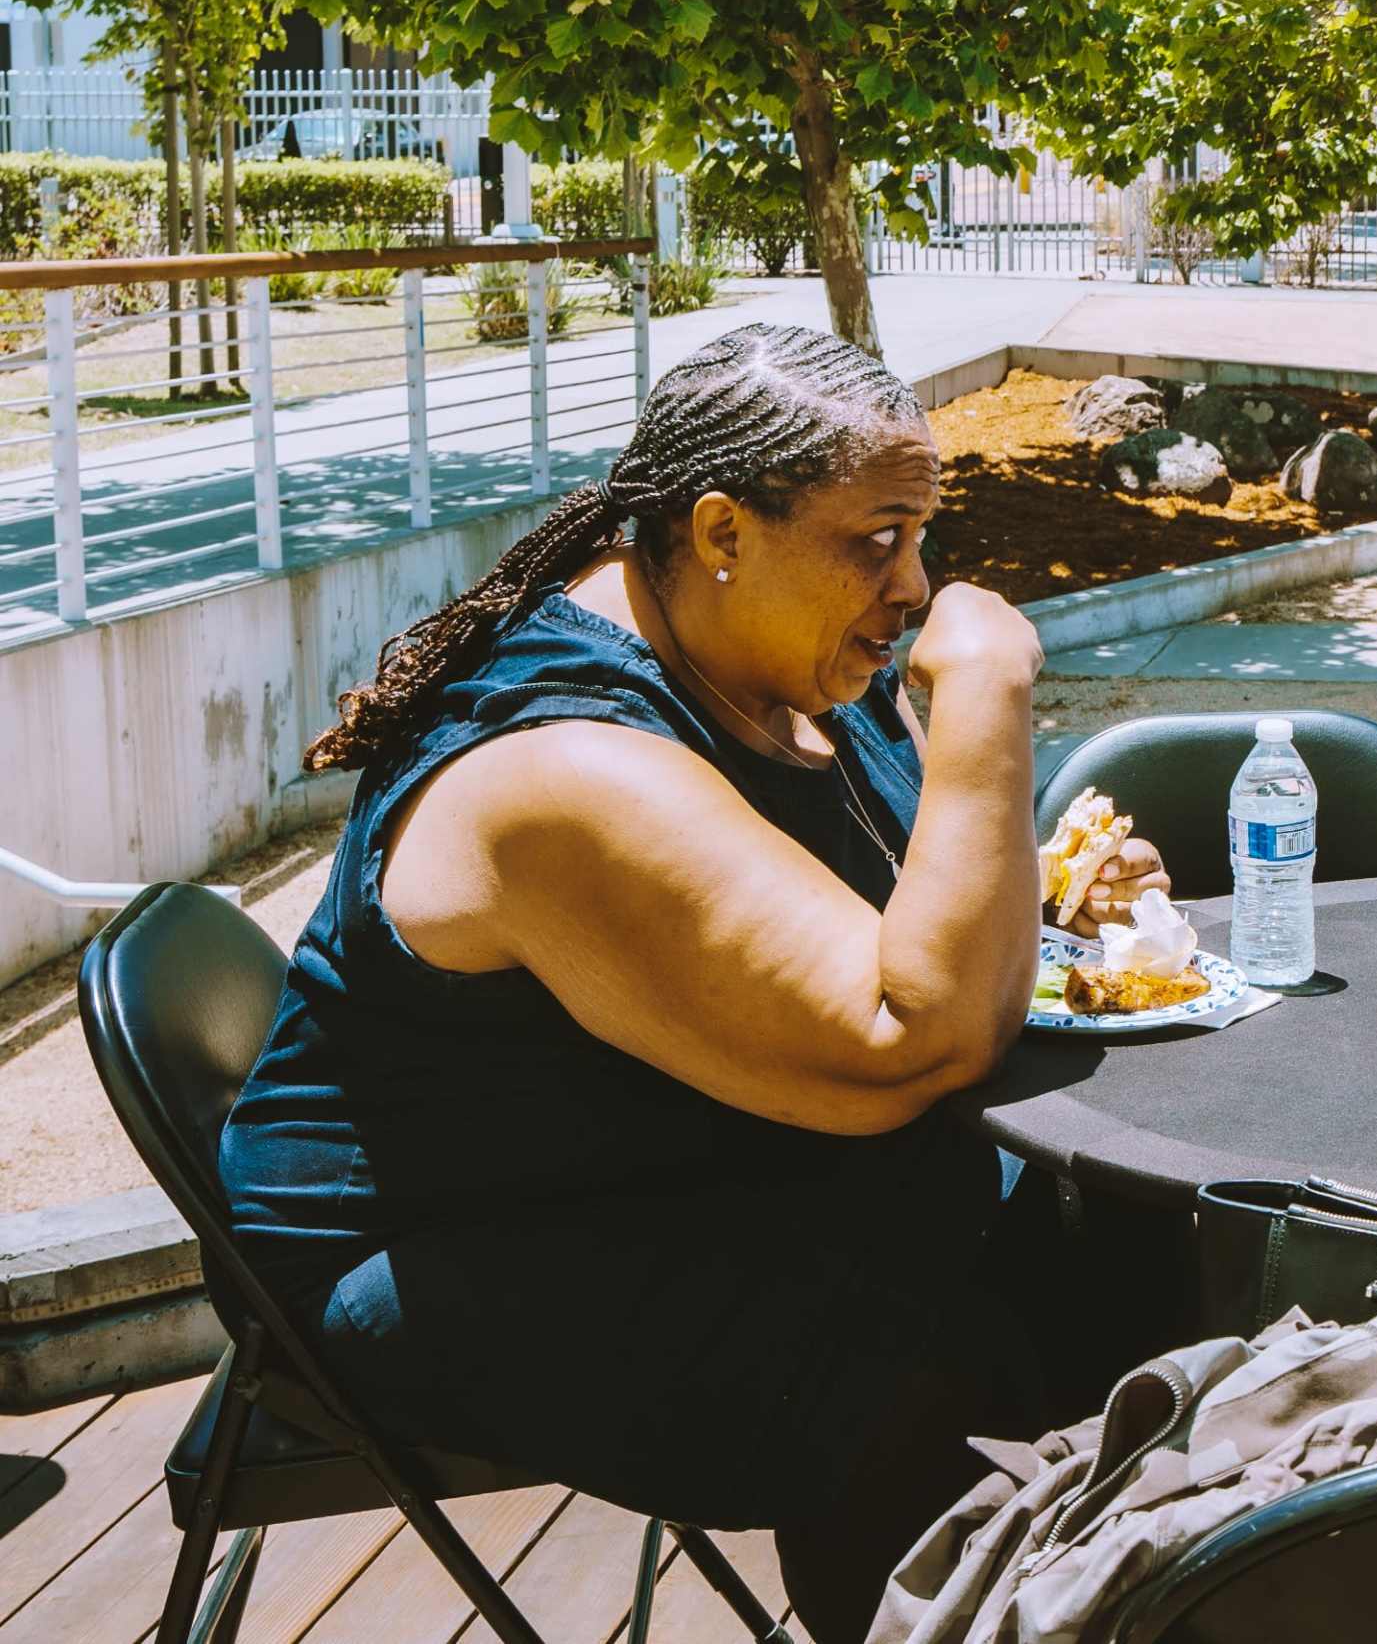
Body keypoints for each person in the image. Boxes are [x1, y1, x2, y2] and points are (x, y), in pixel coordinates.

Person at [219, 324, 1170, 1644]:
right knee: (928, 1325)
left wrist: (1051, 895)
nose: (917, 586)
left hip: (641, 1159)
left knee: (1094, 1243)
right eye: (876, 538)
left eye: (921, 537)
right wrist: (990, 682)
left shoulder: (769, 659)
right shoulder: (568, 769)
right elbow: (909, 1031)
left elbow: (900, 908)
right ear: (723, 531)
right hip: (445, 1247)